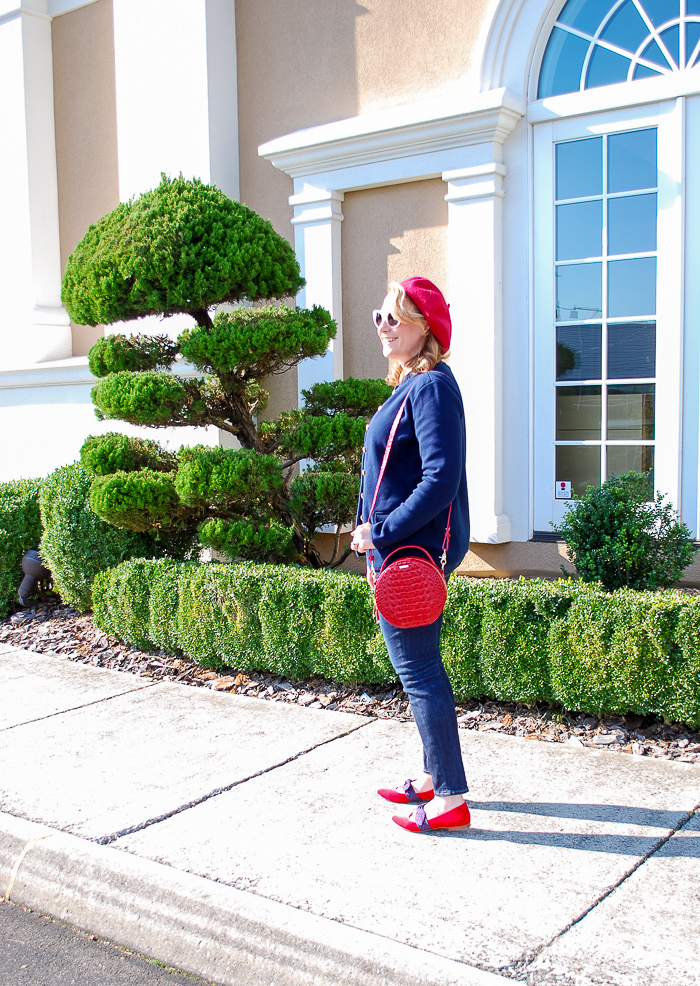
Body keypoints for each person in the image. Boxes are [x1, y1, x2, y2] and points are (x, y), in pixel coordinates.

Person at [350, 277, 471, 834]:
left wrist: (382, 529)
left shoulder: (431, 388)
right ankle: (433, 775)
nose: (383, 326)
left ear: (426, 328)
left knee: (420, 671)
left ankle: (449, 799)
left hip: (409, 552)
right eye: (380, 316)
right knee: (416, 668)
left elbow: (441, 478)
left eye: (395, 318)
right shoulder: (412, 386)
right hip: (397, 548)